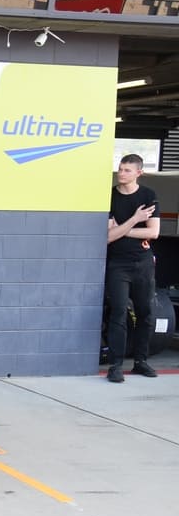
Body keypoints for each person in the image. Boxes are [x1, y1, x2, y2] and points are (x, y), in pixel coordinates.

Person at [104, 153, 160, 382]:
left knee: (145, 313)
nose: (121, 173)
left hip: (143, 263)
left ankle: (140, 362)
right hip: (118, 264)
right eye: (120, 168)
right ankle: (116, 365)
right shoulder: (110, 196)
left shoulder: (148, 195)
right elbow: (108, 237)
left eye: (127, 170)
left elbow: (153, 232)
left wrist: (123, 229)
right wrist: (135, 219)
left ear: (139, 172)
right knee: (118, 312)